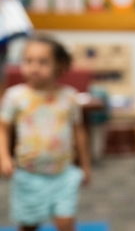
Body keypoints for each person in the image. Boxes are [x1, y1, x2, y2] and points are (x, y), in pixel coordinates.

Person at [0, 35, 91, 231]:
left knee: (66, 223)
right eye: (28, 61)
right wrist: (4, 157)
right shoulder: (15, 96)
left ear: (59, 66)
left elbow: (79, 131)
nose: (34, 67)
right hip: (28, 174)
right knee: (28, 225)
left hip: (63, 173)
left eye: (43, 62)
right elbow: (3, 128)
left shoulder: (69, 97)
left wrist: (85, 164)